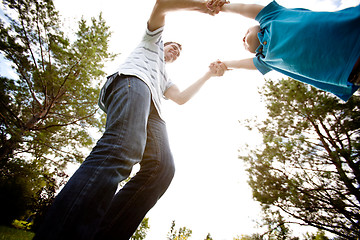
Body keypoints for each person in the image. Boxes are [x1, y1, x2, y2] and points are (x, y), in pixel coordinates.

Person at [33, 1, 225, 240]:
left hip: (153, 107)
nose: (175, 51)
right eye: (173, 46)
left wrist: (208, 74)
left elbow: (181, 98)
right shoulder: (151, 42)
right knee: (123, 147)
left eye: (179, 52)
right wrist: (203, 7)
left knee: (162, 169)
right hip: (132, 82)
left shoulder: (165, 76)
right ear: (164, 44)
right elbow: (162, 5)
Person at [207, 0, 360, 101]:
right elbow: (240, 64)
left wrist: (221, 7)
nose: (243, 40)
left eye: (246, 32)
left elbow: (245, 9)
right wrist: (224, 64)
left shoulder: (271, 17)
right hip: (353, 71)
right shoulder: (265, 60)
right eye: (245, 46)